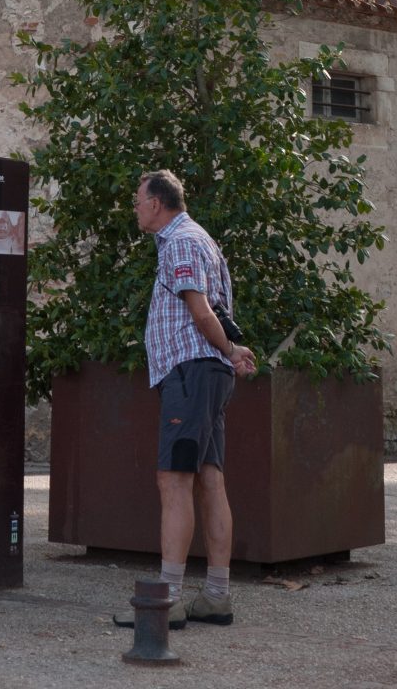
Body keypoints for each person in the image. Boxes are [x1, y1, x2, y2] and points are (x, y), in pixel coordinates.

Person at [114, 168, 256, 631]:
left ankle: (167, 601)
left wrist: (231, 351)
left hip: (192, 374)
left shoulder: (180, 242)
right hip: (204, 374)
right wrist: (229, 354)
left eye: (138, 200)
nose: (135, 207)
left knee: (173, 479)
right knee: (209, 480)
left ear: (157, 203)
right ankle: (215, 596)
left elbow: (201, 312)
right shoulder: (198, 239)